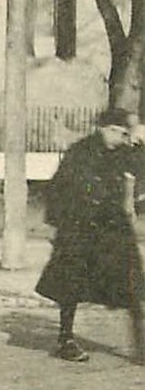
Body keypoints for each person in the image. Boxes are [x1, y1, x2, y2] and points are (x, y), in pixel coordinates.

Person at [34, 106, 145, 363]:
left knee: (133, 281)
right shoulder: (81, 152)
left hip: (113, 229)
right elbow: (61, 189)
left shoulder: (122, 152)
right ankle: (66, 340)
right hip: (80, 228)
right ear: (104, 129)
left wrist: (139, 145)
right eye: (118, 133)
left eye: (124, 134)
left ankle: (141, 345)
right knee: (71, 285)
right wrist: (61, 225)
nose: (121, 138)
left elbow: (139, 168)